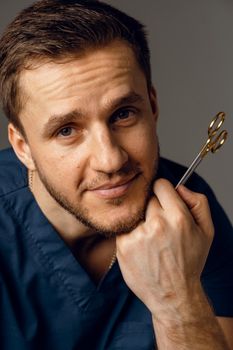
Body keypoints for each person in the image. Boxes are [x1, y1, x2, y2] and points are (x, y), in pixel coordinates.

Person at [0, 0, 232, 349]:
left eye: (123, 114)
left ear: (152, 108)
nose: (110, 161)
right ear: (23, 147)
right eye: (66, 130)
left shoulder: (191, 215)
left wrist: (177, 300)